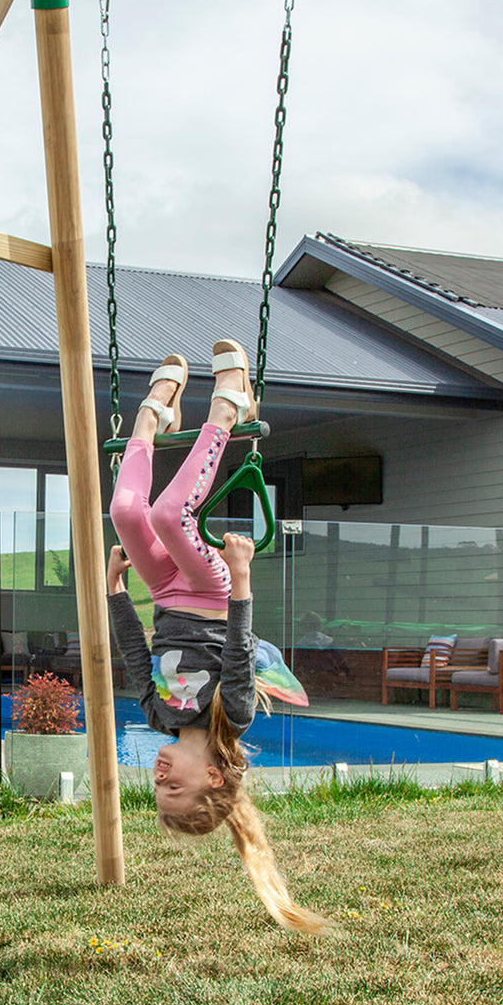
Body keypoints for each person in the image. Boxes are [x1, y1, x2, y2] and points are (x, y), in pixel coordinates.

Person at [107, 339, 333, 937]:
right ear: (211, 777)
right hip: (210, 594)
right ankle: (228, 411)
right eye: (171, 784)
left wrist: (114, 592)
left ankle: (155, 413)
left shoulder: (159, 714)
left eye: (157, 787)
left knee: (128, 513)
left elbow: (135, 653)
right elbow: (237, 645)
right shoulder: (231, 714)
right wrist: (241, 580)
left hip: (163, 594)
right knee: (167, 517)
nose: (158, 775)